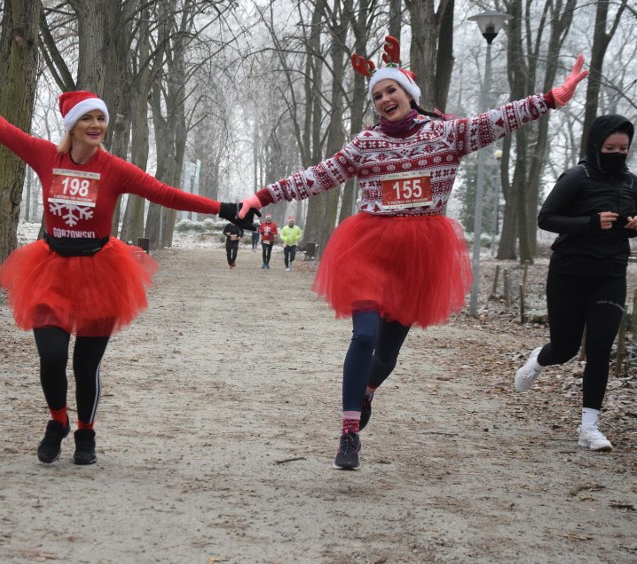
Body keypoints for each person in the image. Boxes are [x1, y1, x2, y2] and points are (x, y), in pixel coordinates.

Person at [236, 36, 589, 470]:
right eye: (378, 95)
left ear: (409, 95)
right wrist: (261, 196)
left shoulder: (446, 134)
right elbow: (319, 176)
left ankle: (366, 392)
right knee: (363, 336)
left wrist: (552, 98)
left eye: (391, 91)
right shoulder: (365, 144)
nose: (385, 99)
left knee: (386, 355)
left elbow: (499, 119)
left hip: (419, 256)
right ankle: (348, 435)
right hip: (369, 246)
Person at [0, 77, 256, 465]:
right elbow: (1, 128)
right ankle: (58, 421)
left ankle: (86, 432)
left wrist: (225, 208)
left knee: (86, 365)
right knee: (50, 357)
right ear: (72, 125)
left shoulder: (114, 168)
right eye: (89, 119)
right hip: (50, 270)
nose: (97, 125)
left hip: (100, 272)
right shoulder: (47, 156)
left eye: (102, 118)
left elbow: (164, 193)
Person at [514, 114, 636, 452]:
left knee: (600, 350)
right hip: (569, 273)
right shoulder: (576, 178)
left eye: (623, 148)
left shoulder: (631, 183)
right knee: (565, 349)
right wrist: (590, 223)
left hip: (610, 274)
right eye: (609, 147)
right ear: (596, 145)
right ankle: (539, 359)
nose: (616, 153)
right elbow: (546, 218)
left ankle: (589, 428)